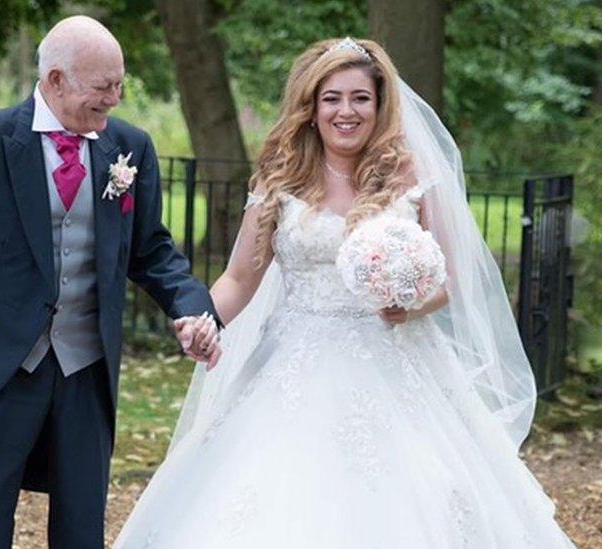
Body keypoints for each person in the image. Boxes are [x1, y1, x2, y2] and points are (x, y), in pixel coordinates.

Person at [113, 38, 576, 548]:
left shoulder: (411, 174)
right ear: (311, 108)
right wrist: (204, 321)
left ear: (380, 105)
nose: (346, 111)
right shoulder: (281, 174)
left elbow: (451, 279)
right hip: (291, 360)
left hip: (396, 358)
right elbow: (241, 277)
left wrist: (410, 304)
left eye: (361, 98)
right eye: (332, 98)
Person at [0, 16, 220, 549]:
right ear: (55, 80)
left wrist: (192, 308)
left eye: (119, 84)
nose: (114, 99)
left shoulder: (130, 148)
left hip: (85, 368)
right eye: (103, 87)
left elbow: (151, 249)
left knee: (82, 528)